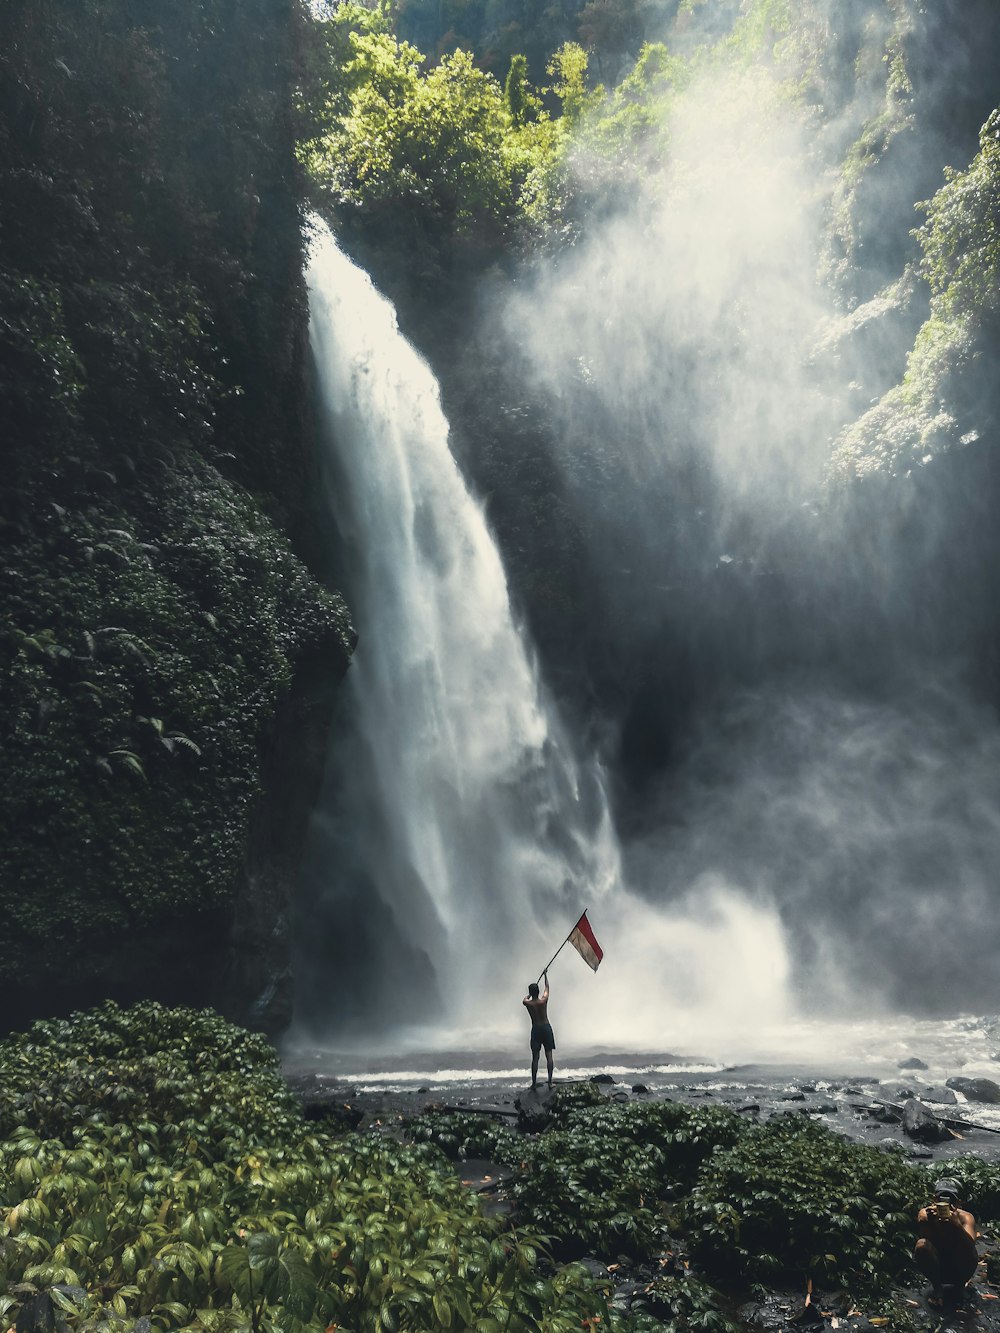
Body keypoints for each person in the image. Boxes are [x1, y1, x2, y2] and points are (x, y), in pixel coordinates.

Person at [915, 1177, 979, 1307]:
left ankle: (960, 1287)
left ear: (958, 1203)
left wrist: (956, 1226)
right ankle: (938, 1289)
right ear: (934, 1200)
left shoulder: (965, 1217)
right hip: (938, 1265)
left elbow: (970, 1246)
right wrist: (932, 1222)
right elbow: (922, 1226)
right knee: (921, 1245)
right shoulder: (927, 1214)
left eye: (951, 1200)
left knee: (966, 1246)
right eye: (941, 1199)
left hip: (960, 1266)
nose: (947, 1204)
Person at [523, 970, 555, 1091]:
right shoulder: (543, 1001)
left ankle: (534, 1083)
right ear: (538, 991)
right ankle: (550, 1082)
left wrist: (529, 995)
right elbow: (547, 988)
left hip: (536, 1029)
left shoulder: (528, 1003)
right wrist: (546, 976)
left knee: (535, 1057)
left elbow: (524, 999)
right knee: (549, 1055)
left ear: (531, 992)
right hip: (546, 1028)